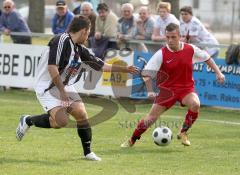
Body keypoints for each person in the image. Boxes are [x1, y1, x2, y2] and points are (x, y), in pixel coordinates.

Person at [15, 16, 139, 161]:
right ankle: (28, 120)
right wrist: (62, 94)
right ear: (83, 31)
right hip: (48, 86)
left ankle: (88, 152)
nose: (89, 35)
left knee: (81, 114)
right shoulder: (61, 40)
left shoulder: (80, 49)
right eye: (89, 32)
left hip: (65, 86)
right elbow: (52, 68)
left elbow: (101, 65)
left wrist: (125, 69)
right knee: (61, 122)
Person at [121, 23, 225, 148]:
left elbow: (207, 57)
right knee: (151, 118)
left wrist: (218, 73)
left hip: (186, 89)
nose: (170, 40)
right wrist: (149, 91)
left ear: (180, 36)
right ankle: (132, 139)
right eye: (167, 37)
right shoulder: (161, 53)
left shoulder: (190, 49)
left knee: (195, 104)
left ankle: (183, 132)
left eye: (173, 37)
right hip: (167, 91)